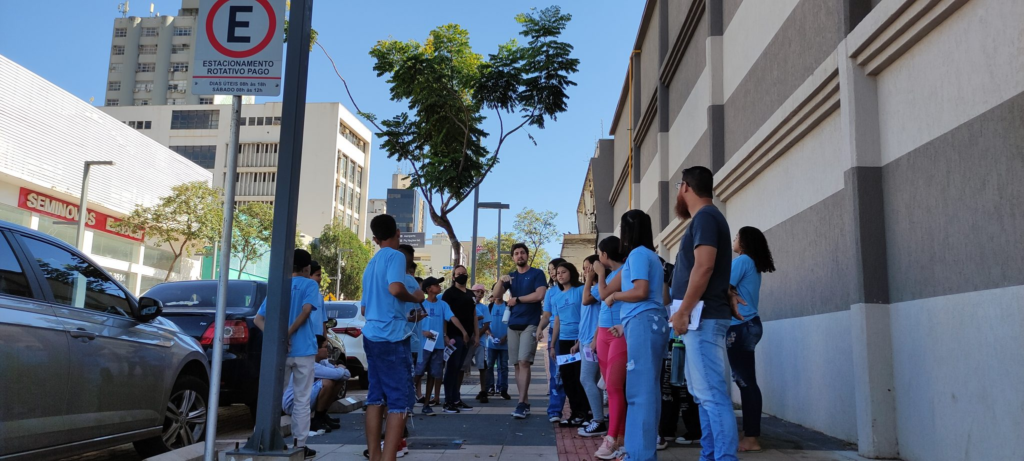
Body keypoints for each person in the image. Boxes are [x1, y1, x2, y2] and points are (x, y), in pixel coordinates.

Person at [669, 166, 745, 461]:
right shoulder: (708, 219)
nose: (678, 192)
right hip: (701, 318)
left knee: (711, 395)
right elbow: (710, 269)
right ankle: (710, 455)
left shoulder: (705, 218)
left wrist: (684, 311)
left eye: (678, 186)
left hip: (700, 318)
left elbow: (704, 266)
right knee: (703, 396)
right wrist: (727, 292)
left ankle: (723, 457)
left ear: (686, 187)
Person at [602, 210, 670, 461]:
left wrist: (616, 296)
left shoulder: (639, 254)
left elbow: (640, 291)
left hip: (643, 322)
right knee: (647, 390)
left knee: (638, 392)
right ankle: (642, 451)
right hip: (649, 322)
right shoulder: (650, 256)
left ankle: (639, 455)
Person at [361, 215, 425, 461]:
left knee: (375, 398)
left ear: (375, 239)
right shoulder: (396, 256)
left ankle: (376, 456)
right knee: (399, 400)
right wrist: (417, 297)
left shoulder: (371, 263)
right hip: (392, 336)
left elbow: (365, 309)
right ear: (398, 233)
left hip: (372, 335)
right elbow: (396, 288)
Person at [253, 248, 321, 459]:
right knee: (301, 399)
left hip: (280, 352)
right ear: (307, 268)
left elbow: (258, 319)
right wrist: (288, 334)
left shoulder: (278, 285)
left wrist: (278, 338)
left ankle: (260, 439)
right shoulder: (310, 284)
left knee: (273, 396)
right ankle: (299, 445)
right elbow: (307, 310)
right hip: (304, 351)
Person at [728, 226, 775, 453]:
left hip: (740, 327)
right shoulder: (751, 264)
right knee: (747, 381)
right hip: (750, 325)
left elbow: (719, 286)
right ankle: (749, 433)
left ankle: (752, 438)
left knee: (746, 383)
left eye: (737, 236)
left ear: (744, 242)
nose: (734, 240)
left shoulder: (742, 261)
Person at [491, 243, 548, 419]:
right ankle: (524, 401)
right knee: (516, 364)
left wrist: (517, 299)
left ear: (527, 255)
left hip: (530, 323)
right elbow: (496, 295)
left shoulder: (537, 273)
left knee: (524, 361)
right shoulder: (512, 277)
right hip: (512, 324)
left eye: (522, 253)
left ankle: (522, 403)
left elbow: (540, 295)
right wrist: (501, 281)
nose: (519, 256)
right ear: (513, 257)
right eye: (516, 254)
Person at [590, 237, 627, 458]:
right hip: (603, 332)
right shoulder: (609, 275)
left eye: (599, 253)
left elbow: (603, 294)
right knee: (610, 389)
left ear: (605, 255)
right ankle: (619, 439)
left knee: (614, 387)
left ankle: (612, 438)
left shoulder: (624, 271)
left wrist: (600, 274)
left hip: (618, 333)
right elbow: (593, 298)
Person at [415, 276, 468, 415]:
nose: (439, 287)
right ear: (428, 289)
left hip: (437, 346)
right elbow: (412, 324)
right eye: (436, 285)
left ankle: (427, 404)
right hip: (423, 346)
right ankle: (407, 402)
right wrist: (423, 332)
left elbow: (452, 318)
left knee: (434, 374)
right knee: (418, 373)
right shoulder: (420, 304)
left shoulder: (443, 304)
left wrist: (463, 331)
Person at [550, 261, 591, 426]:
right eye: (558, 272)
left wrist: (579, 340)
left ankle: (586, 413)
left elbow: (587, 316)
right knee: (567, 379)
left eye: (563, 272)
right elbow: (557, 321)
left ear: (572, 273)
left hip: (579, 340)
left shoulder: (581, 290)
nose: (560, 275)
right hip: (564, 341)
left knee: (580, 378)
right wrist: (552, 345)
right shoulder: (556, 296)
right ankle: (575, 413)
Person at [282, 335, 352, 432]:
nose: (328, 350)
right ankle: (317, 420)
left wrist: (340, 370)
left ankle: (322, 415)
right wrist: (341, 368)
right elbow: (338, 373)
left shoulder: (323, 362)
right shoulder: (310, 364)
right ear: (316, 349)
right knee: (327, 382)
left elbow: (346, 375)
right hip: (293, 404)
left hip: (305, 399)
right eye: (325, 347)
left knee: (338, 381)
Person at [440, 265, 479, 413]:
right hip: (454, 336)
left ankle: (456, 398)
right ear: (454, 276)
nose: (462, 275)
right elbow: (445, 316)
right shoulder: (449, 294)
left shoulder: (470, 294)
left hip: (468, 337)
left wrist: (476, 334)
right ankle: (448, 401)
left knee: (459, 369)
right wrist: (445, 335)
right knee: (452, 368)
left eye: (464, 273)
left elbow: (474, 315)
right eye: (459, 273)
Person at [578, 255, 607, 437]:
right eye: (584, 268)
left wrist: (589, 279)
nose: (585, 271)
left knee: (586, 379)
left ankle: (598, 420)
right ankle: (598, 417)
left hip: (593, 340)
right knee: (593, 380)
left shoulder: (598, 289)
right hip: (584, 340)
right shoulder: (591, 288)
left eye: (588, 268)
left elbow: (586, 300)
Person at [540, 258, 567, 422]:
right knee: (556, 373)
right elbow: (547, 315)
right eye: (550, 270)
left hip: (574, 335)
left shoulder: (578, 289)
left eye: (555, 268)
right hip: (554, 335)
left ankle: (582, 411)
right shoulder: (551, 292)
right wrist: (538, 329)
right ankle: (555, 410)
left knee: (574, 374)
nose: (552, 272)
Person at [486, 290, 511, 400]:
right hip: (491, 343)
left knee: (503, 367)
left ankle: (503, 389)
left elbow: (511, 323)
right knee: (489, 365)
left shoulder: (507, 306)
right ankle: (490, 387)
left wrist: (505, 337)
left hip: (505, 343)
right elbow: (485, 324)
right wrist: (490, 335)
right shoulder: (490, 306)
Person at [470, 284, 492, 403]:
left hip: (480, 341)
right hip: (468, 340)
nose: (479, 294)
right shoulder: (467, 304)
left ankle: (483, 390)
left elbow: (487, 323)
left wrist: (477, 334)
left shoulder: (484, 308)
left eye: (481, 292)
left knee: (482, 366)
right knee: (463, 366)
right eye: (476, 292)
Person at [309, 261, 327, 336]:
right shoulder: (302, 294)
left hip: (318, 338)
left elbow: (323, 320)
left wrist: (325, 338)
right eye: (317, 275)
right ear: (309, 276)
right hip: (307, 337)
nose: (320, 278)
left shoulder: (319, 296)